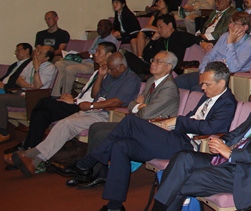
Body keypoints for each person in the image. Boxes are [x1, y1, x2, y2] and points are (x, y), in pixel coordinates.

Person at [151, 71, 251, 211]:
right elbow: (237, 133)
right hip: (227, 162)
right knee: (183, 157)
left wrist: (231, 154)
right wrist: (221, 142)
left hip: (245, 172)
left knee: (180, 181)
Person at [51, 51, 181, 191]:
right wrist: (138, 106)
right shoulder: (151, 81)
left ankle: (88, 170)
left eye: (158, 61)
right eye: (153, 60)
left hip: (152, 130)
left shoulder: (169, 87)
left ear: (168, 67)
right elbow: (131, 104)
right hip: (137, 125)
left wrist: (138, 106)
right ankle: (93, 172)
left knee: (102, 135)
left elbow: (145, 113)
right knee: (96, 127)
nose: (153, 63)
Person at [7, 51, 140, 176]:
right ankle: (34, 161)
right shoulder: (110, 76)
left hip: (107, 115)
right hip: (93, 110)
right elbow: (95, 94)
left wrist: (92, 105)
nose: (109, 71)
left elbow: (116, 101)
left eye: (111, 69)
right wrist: (100, 76)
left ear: (121, 67)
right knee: (61, 124)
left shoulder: (132, 79)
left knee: (67, 124)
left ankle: (30, 154)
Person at [174, 12, 251, 91]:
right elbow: (209, 56)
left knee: (197, 90)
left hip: (225, 78)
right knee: (177, 81)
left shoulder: (250, 44)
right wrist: (202, 73)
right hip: (209, 72)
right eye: (230, 22)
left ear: (244, 27)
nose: (229, 25)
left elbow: (233, 68)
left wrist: (230, 43)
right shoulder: (224, 36)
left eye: (234, 24)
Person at [0, 46, 55, 143]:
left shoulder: (50, 68)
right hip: (22, 92)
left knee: (1, 99)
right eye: (37, 51)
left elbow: (38, 86)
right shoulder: (30, 63)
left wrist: (36, 69)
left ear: (47, 58)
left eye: (40, 53)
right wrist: (30, 86)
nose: (36, 54)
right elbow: (18, 80)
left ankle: (3, 133)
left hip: (34, 98)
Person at [52, 19, 120, 96]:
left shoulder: (112, 41)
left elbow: (105, 57)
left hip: (94, 64)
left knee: (69, 69)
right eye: (98, 26)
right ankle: (55, 95)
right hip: (85, 61)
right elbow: (90, 50)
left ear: (108, 27)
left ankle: (66, 95)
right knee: (59, 64)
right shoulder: (98, 38)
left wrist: (90, 55)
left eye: (101, 26)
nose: (98, 28)